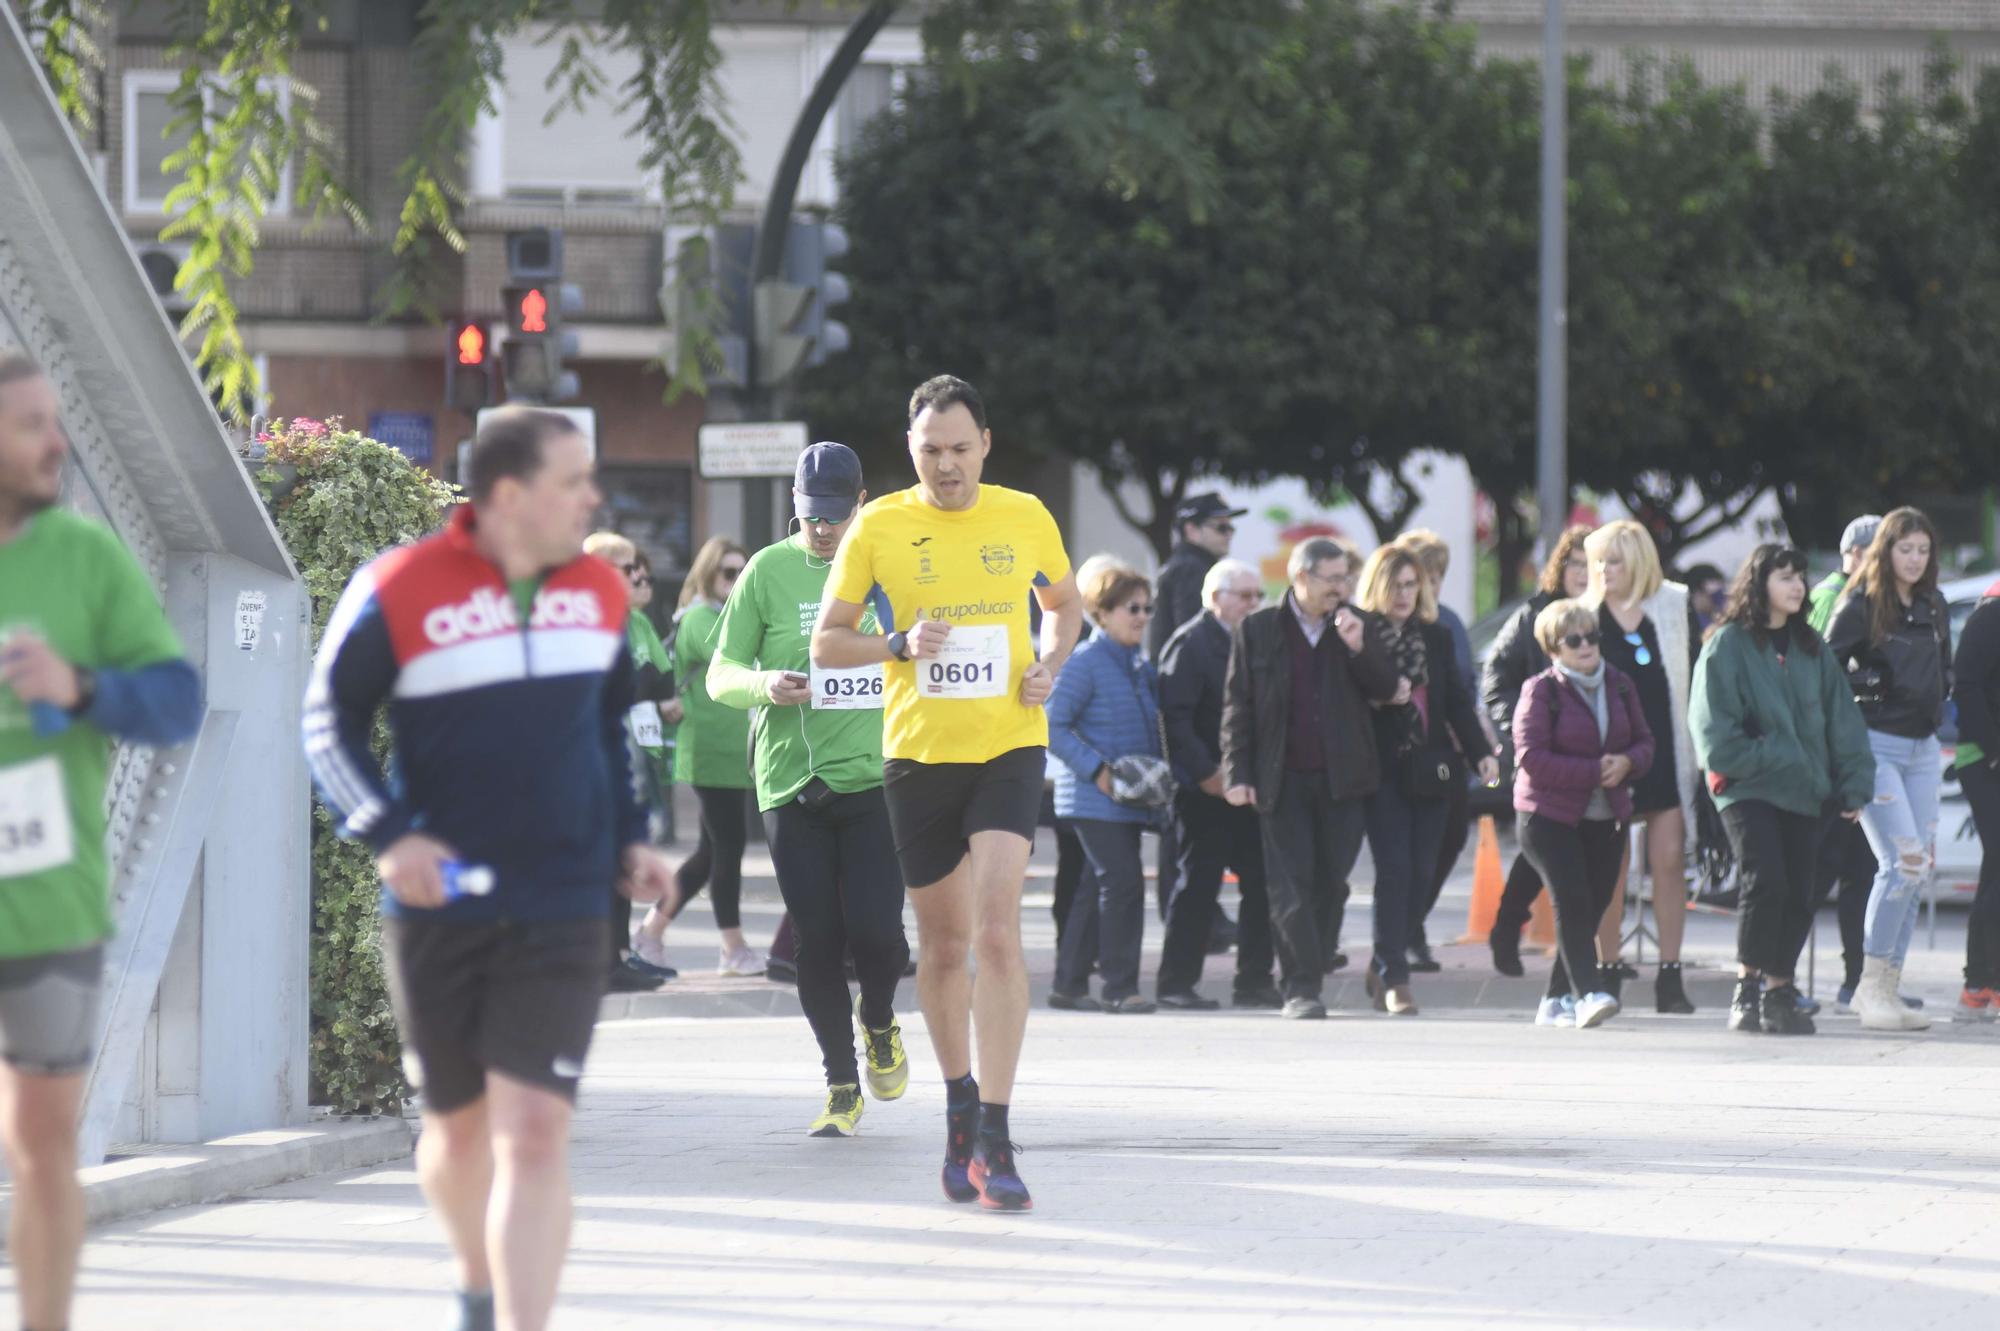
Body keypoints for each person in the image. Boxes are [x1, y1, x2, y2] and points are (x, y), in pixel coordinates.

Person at [305, 405, 675, 1331]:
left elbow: (609, 728)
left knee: (537, 1130)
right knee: (459, 1131)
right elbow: (326, 722)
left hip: (562, 901)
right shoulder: (398, 586)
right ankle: (474, 1279)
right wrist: (389, 833)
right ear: (510, 494)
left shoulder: (597, 589)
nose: (593, 498)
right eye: (574, 481)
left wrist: (632, 836)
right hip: (441, 903)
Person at [813, 374, 1082, 1213]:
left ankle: (997, 1133)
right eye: (931, 451)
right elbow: (827, 643)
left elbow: (1064, 604)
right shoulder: (881, 524)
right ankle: (959, 1103)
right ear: (911, 450)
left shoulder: (1026, 514)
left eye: (961, 449)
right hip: (920, 756)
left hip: (1008, 742)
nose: (947, 465)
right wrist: (894, 642)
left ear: (986, 445)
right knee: (942, 944)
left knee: (999, 935)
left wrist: (1050, 662)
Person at [0, 352, 202, 1331]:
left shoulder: (82, 557)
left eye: (55, 418)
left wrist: (77, 687)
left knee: (41, 1141)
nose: (57, 441)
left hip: (49, 904)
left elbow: (177, 700)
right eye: (31, 425)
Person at [706, 442, 912, 1137]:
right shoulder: (767, 570)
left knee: (881, 937)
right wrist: (765, 683)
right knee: (816, 940)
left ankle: (879, 1019)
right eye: (808, 515)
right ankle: (841, 1083)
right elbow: (720, 672)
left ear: (859, 504)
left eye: (833, 516)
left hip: (874, 777)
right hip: (790, 782)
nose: (821, 530)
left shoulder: (886, 564)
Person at [1691, 544, 1872, 1036]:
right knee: (1765, 878)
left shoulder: (1812, 647)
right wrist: (1777, 755)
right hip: (1746, 786)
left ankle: (1778, 990)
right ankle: (1746, 989)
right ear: (1759, 583)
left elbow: (1844, 722)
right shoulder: (1727, 644)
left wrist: (1854, 783)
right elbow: (1713, 733)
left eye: (1799, 577)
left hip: (1806, 790)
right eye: (1784, 577)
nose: (1796, 586)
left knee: (1801, 888)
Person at [1221, 537, 1401, 1020]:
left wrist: (1359, 647)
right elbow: (1238, 706)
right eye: (1332, 579)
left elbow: (1389, 689)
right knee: (1289, 884)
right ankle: (1302, 986)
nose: (1341, 588)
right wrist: (1237, 770)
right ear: (1301, 578)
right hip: (1281, 779)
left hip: (1345, 780)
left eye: (1346, 578)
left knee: (1332, 882)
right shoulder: (1258, 630)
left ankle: (1314, 959)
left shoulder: (1361, 626)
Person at [1354, 544, 1499, 1016]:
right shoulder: (1360, 634)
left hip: (1433, 769)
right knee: (1394, 870)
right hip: (1382, 771)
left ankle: (1385, 958)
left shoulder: (1434, 636)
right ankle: (1396, 975)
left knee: (1423, 870)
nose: (1403, 594)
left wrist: (1482, 753)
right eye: (1394, 584)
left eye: (1411, 584)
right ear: (1378, 585)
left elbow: (1456, 699)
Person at [1825, 507, 1953, 1032]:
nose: (1916, 560)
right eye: (1906, 549)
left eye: (1923, 550)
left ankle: (1889, 988)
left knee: (1917, 867)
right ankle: (1866, 989)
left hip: (1924, 749)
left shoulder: (1934, 603)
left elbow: (1942, 667)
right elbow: (1825, 673)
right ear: (1885, 551)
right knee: (1898, 865)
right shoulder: (1859, 604)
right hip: (1875, 746)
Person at [1511, 599, 1655, 1029]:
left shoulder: (1621, 684)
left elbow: (1646, 742)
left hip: (1606, 816)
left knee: (1592, 906)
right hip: (1548, 817)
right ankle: (1588, 993)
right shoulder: (1541, 690)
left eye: (1592, 636)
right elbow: (1531, 757)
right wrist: (1594, 771)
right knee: (1571, 900)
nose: (1586, 645)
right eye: (1574, 640)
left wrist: (1628, 762)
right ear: (1554, 647)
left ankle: (1555, 998)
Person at [631, 536, 763, 977]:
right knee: (728, 849)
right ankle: (733, 946)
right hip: (709, 751)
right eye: (728, 572)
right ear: (709, 575)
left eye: (742, 572)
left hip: (734, 754)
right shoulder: (701, 619)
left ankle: (650, 932)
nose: (736, 580)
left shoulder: (727, 616)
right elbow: (738, 656)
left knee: (711, 853)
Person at [1586, 520, 1699, 1013]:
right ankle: (1607, 970)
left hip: (1667, 752)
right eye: (1597, 561)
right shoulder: (1585, 614)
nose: (1603, 570)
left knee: (1669, 864)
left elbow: (1693, 673)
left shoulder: (1672, 606)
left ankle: (1670, 976)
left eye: (1613, 560)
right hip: (1607, 760)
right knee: (1611, 870)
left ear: (1637, 561)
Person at [1157, 558, 1279, 1009]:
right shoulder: (1191, 643)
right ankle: (1175, 984)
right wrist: (1205, 772)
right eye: (1243, 596)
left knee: (1262, 883)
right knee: (1197, 887)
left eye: (1256, 596)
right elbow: (1173, 718)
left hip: (1248, 787)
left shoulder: (1258, 638)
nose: (1252, 604)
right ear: (1214, 598)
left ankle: (1254, 981)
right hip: (1203, 790)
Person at [1047, 561, 1165, 1013]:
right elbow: (1052, 727)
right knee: (1123, 883)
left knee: (1094, 889)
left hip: (1126, 799)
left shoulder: (1136, 663)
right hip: (1094, 798)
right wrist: (1098, 771)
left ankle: (1069, 984)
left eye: (1146, 608)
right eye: (1129, 607)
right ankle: (1120, 987)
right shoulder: (1086, 662)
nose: (1140, 615)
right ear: (1101, 611)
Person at [1481, 525, 1592, 975]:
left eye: (1592, 564)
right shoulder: (1533, 615)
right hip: (1542, 760)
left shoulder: (1605, 617)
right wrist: (1525, 729)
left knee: (1578, 850)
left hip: (1592, 760)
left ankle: (1586, 953)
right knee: (1543, 839)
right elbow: (1495, 680)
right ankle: (1509, 925)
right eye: (1576, 563)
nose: (1584, 574)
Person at [584, 532, 673, 994]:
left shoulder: (623, 620)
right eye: (626, 568)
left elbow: (658, 681)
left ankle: (613, 958)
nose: (637, 575)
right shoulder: (587, 621)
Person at [1396, 529, 1489, 972]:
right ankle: (1400, 933)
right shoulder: (1383, 622)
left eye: (1436, 576)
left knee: (1449, 839)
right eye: (1421, 576)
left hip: (1444, 756)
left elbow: (1462, 688)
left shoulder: (1447, 623)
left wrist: (1475, 747)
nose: (1430, 587)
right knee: (1405, 850)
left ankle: (1413, 922)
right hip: (1398, 757)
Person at [1806, 514, 1883, 1013]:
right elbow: (1820, 673)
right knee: (1828, 871)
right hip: (1832, 757)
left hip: (1851, 753)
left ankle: (1856, 978)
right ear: (1854, 553)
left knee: (1860, 870)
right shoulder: (1834, 597)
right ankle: (1775, 978)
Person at [1951, 574, 2000, 1020]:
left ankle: (1979, 983)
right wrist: (1994, 751)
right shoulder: (1991, 613)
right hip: (1983, 759)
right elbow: (1964, 685)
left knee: (1994, 870)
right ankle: (1987, 980)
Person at [1149, 492, 1247, 660]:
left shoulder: (1186, 564)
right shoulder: (1191, 568)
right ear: (1191, 530)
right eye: (1221, 528)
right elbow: (1193, 632)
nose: (1229, 534)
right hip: (1187, 677)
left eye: (1231, 528)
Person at [1684, 563, 1728, 631]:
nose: (1723, 598)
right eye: (1716, 594)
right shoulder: (1686, 627)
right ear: (1697, 593)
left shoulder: (1721, 620)